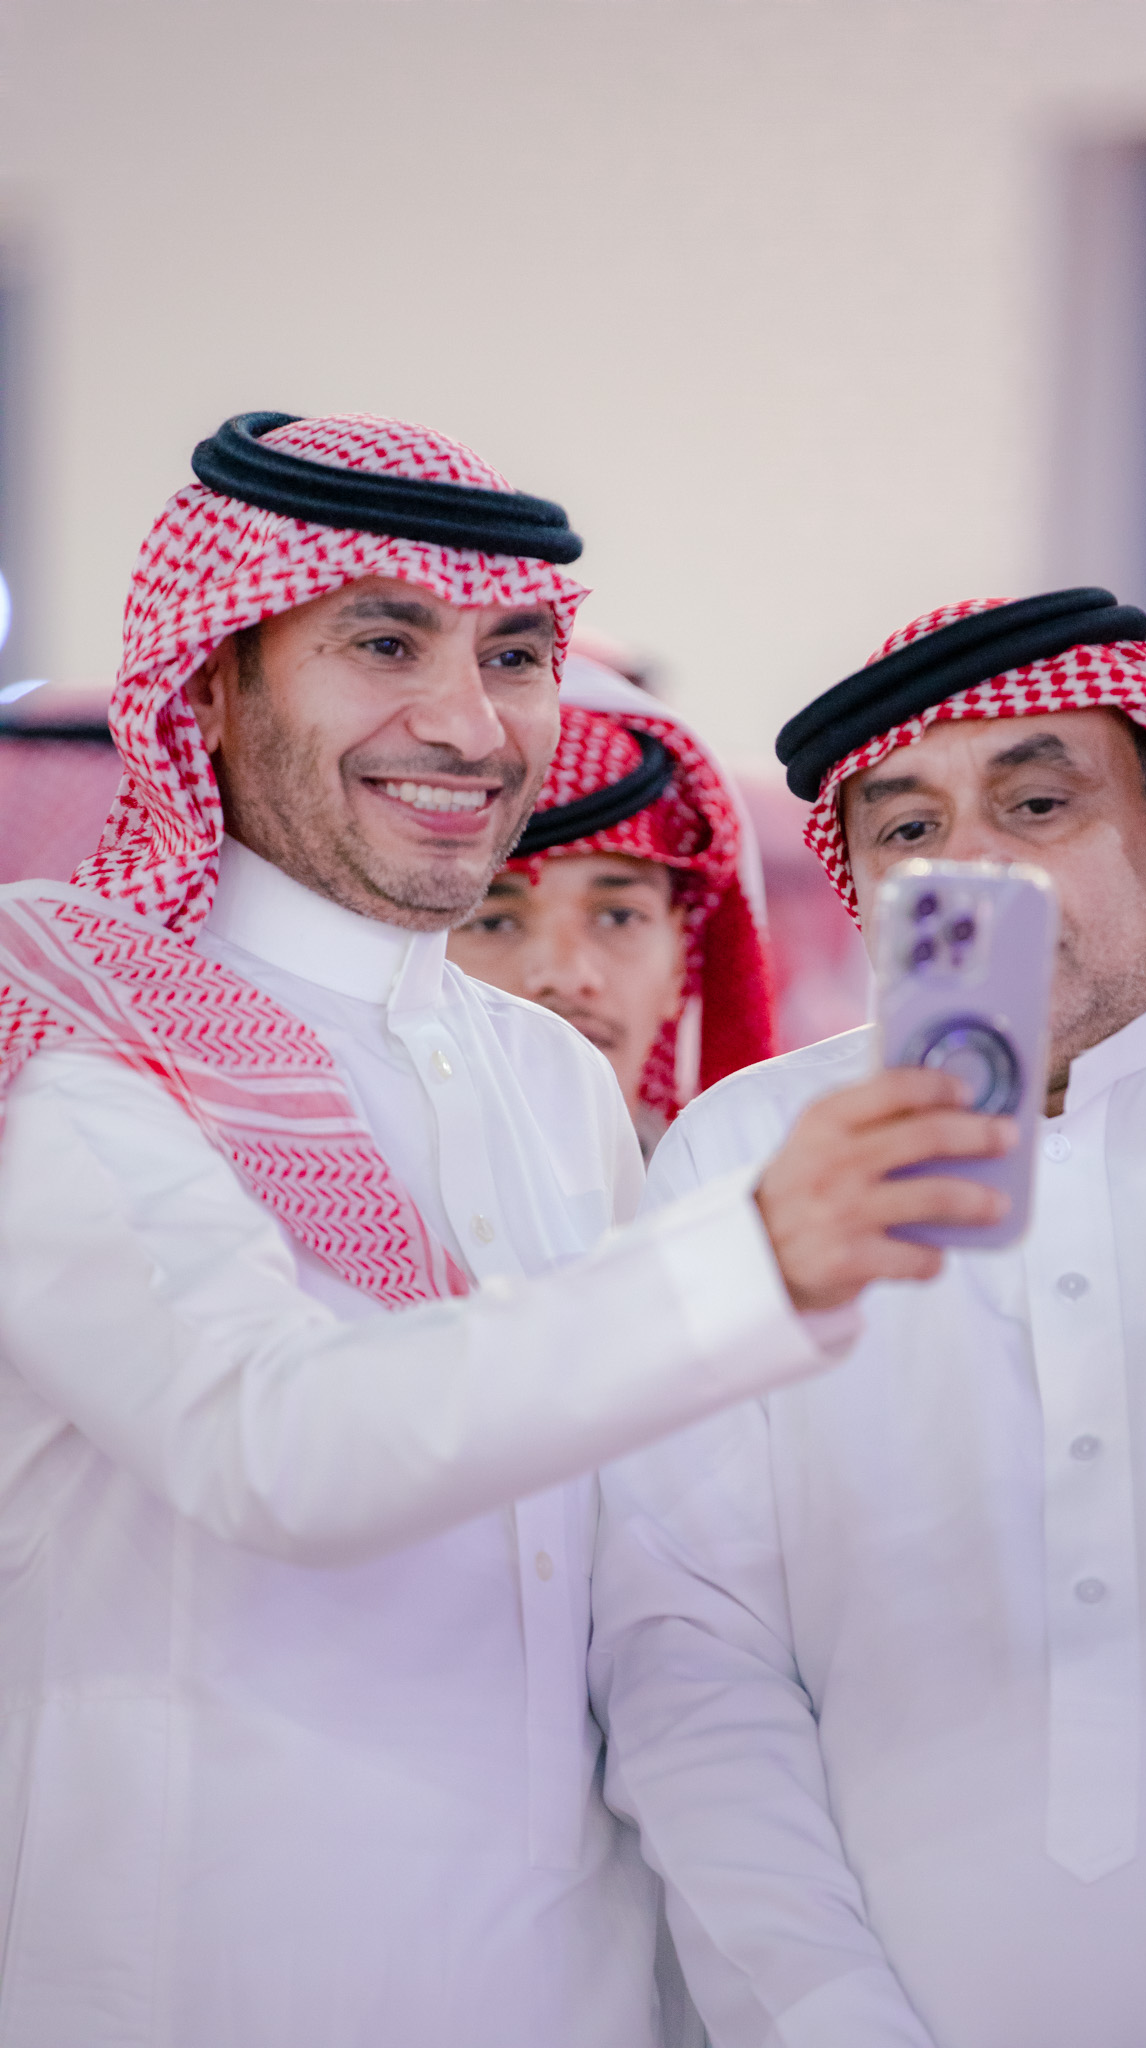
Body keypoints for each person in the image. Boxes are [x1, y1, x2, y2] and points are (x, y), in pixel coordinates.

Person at [0, 414, 1014, 2048]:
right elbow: (274, 1442)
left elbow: (643, 1592)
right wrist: (753, 1258)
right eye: (384, 642)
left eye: (516, 654)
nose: (470, 724)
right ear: (215, 682)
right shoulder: (66, 1031)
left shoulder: (546, 1077)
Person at [589, 589, 1146, 2048]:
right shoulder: (748, 1152)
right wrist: (830, 2015)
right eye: (909, 828)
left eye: (1038, 803)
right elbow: (689, 1651)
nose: (975, 868)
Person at [448, 655, 773, 1155]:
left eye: (619, 916)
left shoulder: (743, 1197)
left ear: (679, 965)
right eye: (493, 923)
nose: (566, 976)